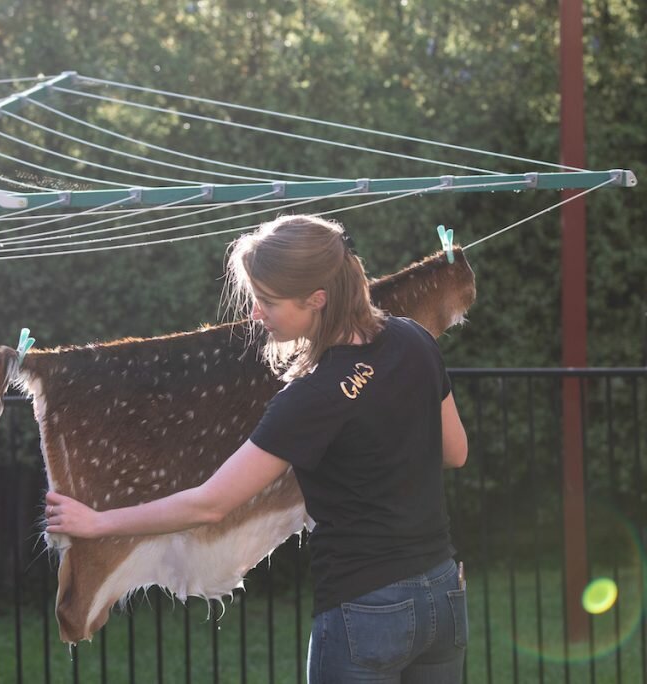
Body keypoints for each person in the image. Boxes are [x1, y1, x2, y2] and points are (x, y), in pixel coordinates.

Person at [44, 214, 469, 683]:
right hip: (443, 595)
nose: (254, 314)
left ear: (317, 300)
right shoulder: (414, 339)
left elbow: (210, 504)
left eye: (267, 301)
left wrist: (99, 522)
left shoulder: (310, 397)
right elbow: (456, 451)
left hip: (366, 612)